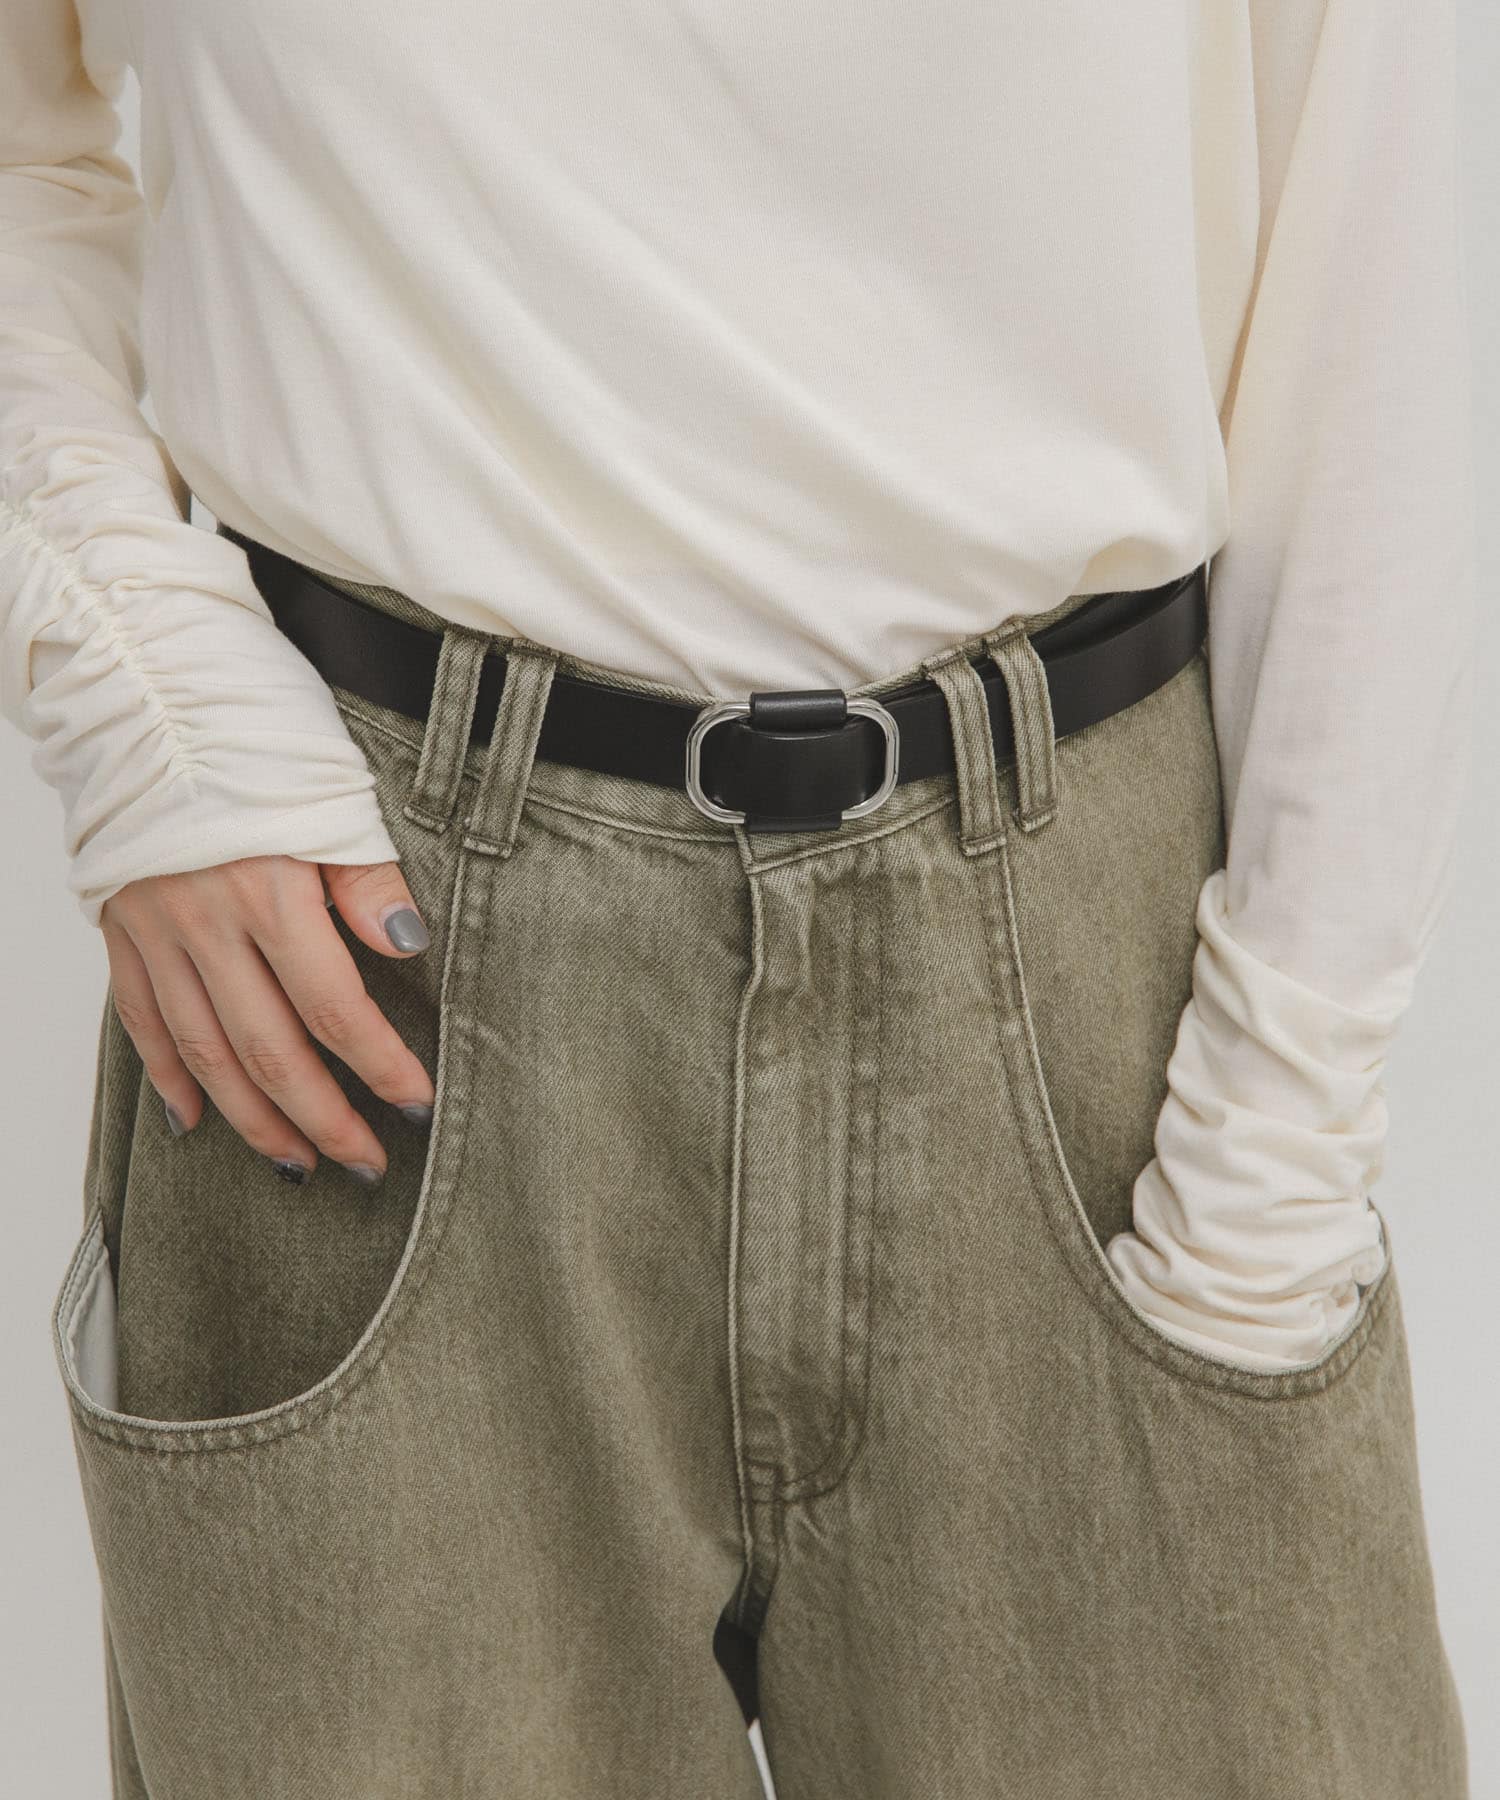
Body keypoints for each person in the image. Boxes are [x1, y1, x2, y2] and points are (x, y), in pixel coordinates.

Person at [0, 4, 1474, 1797]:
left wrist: (1278, 1139)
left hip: (1103, 1015)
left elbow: (1374, 274)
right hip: (367, 981)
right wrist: (133, 680)